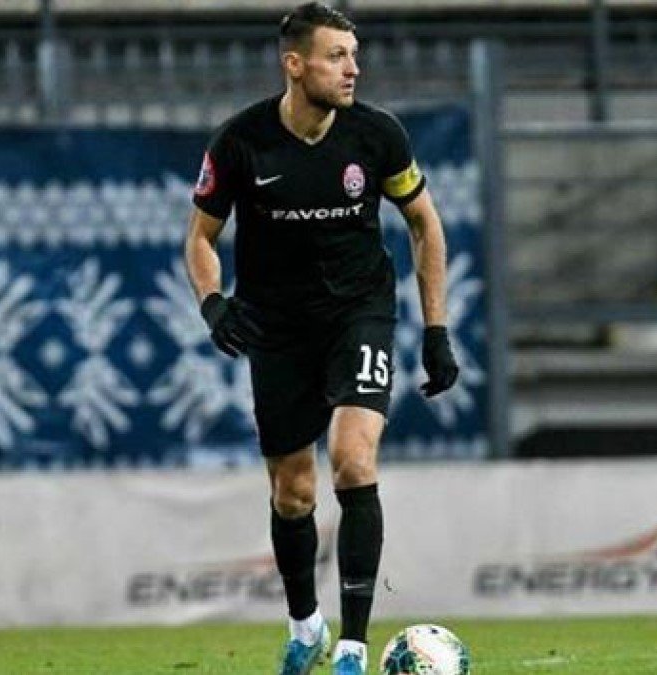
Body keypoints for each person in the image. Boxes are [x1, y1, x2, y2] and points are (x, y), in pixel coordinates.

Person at [183, 3, 459, 674]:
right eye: (337, 56)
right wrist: (213, 303)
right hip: (277, 327)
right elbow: (200, 238)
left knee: (353, 460)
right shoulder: (241, 143)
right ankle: (307, 626)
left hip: (359, 312)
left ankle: (354, 649)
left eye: (354, 55)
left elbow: (424, 223)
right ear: (295, 64)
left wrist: (436, 328)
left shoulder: (377, 136)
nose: (352, 68)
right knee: (294, 492)